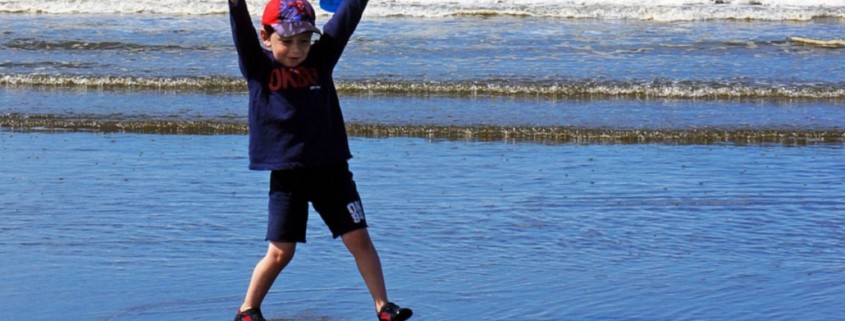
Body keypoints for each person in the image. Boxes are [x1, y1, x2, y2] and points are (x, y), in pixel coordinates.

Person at [227, 0, 413, 320]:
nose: (297, 50)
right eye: (286, 41)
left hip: (332, 170)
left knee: (359, 239)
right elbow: (240, 30)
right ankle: (248, 309)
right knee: (281, 252)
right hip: (288, 175)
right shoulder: (259, 68)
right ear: (265, 37)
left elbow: (346, 18)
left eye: (304, 41)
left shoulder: (322, 59)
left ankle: (383, 306)